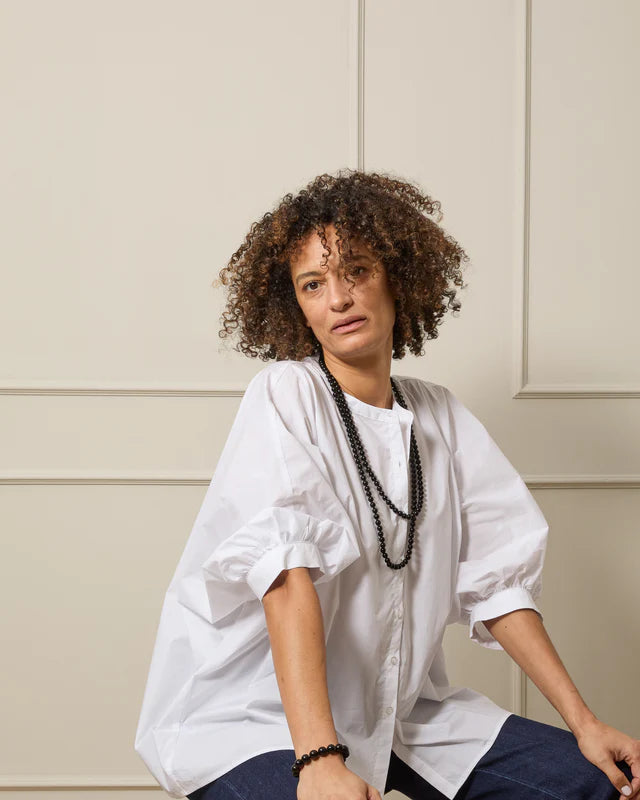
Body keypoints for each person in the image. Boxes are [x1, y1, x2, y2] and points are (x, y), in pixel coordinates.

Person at [134, 169, 639, 800]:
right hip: (257, 720)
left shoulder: (441, 415)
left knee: (594, 784)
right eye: (312, 284)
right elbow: (284, 578)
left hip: (399, 712)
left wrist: (585, 724)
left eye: (357, 271)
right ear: (297, 308)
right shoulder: (286, 394)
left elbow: (500, 585)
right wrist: (319, 758)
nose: (338, 299)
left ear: (397, 278)